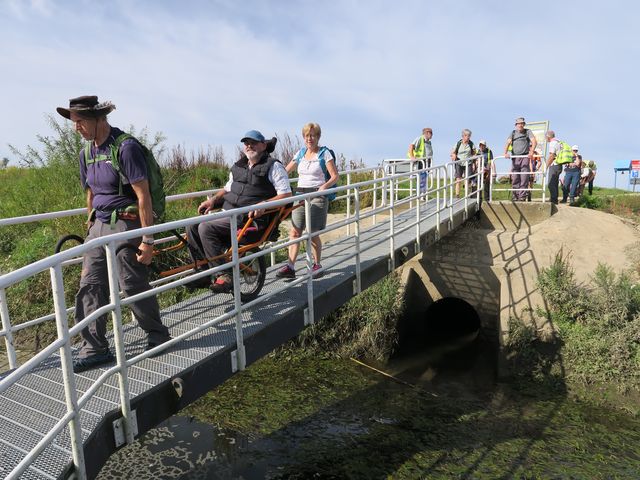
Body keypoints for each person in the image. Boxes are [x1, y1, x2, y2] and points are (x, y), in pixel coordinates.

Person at [56, 95, 171, 372]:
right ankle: (94, 347)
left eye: (80, 122)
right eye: (74, 122)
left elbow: (143, 196)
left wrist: (148, 240)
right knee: (90, 284)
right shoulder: (87, 153)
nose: (76, 128)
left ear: (99, 119)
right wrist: (90, 221)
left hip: (127, 221)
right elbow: (90, 191)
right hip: (99, 224)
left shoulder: (126, 148)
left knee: (130, 282)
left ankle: (157, 334)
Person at [187, 130, 292, 292]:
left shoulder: (274, 166)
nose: (249, 146)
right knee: (191, 225)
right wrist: (213, 200)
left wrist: (263, 205)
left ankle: (224, 274)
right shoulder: (239, 166)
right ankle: (205, 271)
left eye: (254, 142)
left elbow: (286, 194)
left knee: (205, 227)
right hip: (228, 214)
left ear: (264, 145)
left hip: (249, 220)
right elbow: (227, 189)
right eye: (246, 143)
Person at [276, 123, 339, 279]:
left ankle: (316, 264)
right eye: (306, 136)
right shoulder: (301, 153)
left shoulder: (325, 154)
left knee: (312, 233)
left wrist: (325, 186)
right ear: (303, 138)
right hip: (300, 195)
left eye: (312, 135)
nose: (309, 138)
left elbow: (335, 176)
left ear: (318, 137)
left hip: (317, 195)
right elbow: (284, 170)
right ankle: (290, 267)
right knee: (295, 231)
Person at [504, 117, 537, 201]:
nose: (520, 125)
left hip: (525, 157)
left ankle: (522, 197)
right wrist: (505, 152)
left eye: (522, 123)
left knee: (524, 177)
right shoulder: (513, 132)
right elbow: (508, 142)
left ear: (524, 124)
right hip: (515, 157)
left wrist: (531, 152)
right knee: (515, 177)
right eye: (519, 123)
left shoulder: (528, 131)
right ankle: (515, 196)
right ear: (516, 125)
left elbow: (534, 142)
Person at [544, 130, 573, 204]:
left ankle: (553, 200)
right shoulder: (558, 142)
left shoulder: (552, 143)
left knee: (551, 184)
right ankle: (554, 199)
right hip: (559, 166)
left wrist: (546, 166)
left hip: (554, 165)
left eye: (545, 137)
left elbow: (552, 155)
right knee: (555, 183)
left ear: (548, 136)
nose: (545, 138)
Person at [450, 129, 475, 198]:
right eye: (467, 136)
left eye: (469, 136)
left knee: (467, 179)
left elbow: (474, 153)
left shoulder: (471, 144)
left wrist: (473, 162)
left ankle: (466, 195)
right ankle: (457, 195)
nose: (468, 137)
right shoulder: (458, 143)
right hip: (459, 163)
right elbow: (452, 152)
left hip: (468, 163)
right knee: (458, 179)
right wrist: (453, 155)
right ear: (463, 136)